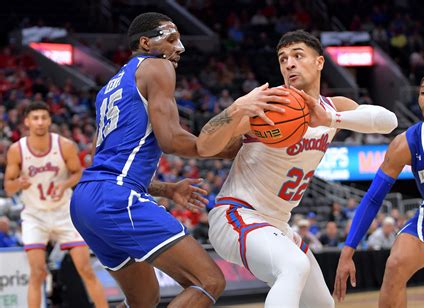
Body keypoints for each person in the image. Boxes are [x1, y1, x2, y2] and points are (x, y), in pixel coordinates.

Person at [70, 12, 289, 307]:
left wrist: (168, 189)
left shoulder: (110, 86)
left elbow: (113, 164)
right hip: (115, 198)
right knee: (208, 281)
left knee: (143, 300)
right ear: (146, 43)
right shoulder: (157, 67)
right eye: (171, 39)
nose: (181, 47)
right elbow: (171, 140)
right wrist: (226, 129)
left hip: (86, 201)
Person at [196, 29, 398, 308]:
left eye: (297, 55)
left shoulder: (333, 108)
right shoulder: (268, 107)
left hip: (278, 224)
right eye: (283, 59)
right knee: (294, 265)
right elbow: (204, 146)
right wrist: (235, 109)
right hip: (237, 214)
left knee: (322, 305)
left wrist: (331, 118)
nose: (289, 63)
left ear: (319, 62)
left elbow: (389, 121)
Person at [334, 70, 424, 307]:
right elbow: (373, 198)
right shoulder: (405, 144)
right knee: (395, 264)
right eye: (423, 93)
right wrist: (348, 250)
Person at [4, 102, 108, 308]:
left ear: (50, 120)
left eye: (44, 117)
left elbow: (78, 173)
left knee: (85, 269)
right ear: (27, 122)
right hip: (34, 215)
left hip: (64, 212)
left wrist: (65, 185)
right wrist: (19, 184)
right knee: (37, 273)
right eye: (35, 118)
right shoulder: (17, 150)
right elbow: (8, 187)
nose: (40, 122)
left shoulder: (64, 145)